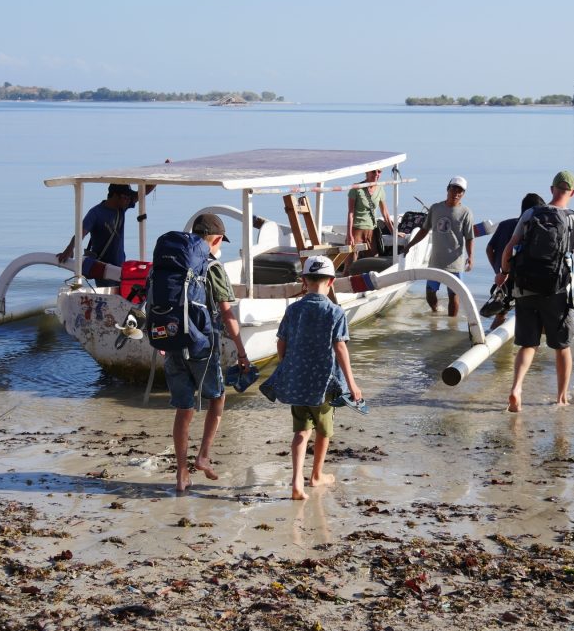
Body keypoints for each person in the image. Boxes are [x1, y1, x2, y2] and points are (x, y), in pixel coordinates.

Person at [261, 255, 362, 500]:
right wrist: (352, 384)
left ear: (304, 281)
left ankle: (296, 481)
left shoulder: (293, 309)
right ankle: (316, 475)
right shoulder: (335, 312)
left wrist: (287, 366)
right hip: (324, 384)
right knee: (324, 431)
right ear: (332, 282)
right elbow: (340, 348)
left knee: (300, 431)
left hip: (298, 381)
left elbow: (281, 343)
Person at [164, 213, 249, 492]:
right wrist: (241, 350)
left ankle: (181, 472)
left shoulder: (172, 263)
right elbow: (227, 312)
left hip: (174, 341)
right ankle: (202, 456)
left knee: (183, 408)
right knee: (217, 398)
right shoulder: (213, 267)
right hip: (203, 344)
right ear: (215, 239)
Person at [495, 171, 574, 412]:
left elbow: (509, 248)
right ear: (572, 192)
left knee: (528, 344)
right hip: (556, 291)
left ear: (551, 190)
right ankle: (561, 397)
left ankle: (516, 388)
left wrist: (503, 273)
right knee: (562, 346)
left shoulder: (530, 214)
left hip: (525, 287)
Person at [56, 182, 155, 287]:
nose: (128, 200)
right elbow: (81, 233)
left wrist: (158, 174)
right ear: (115, 196)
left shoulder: (122, 208)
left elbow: (143, 192)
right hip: (102, 269)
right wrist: (70, 248)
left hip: (120, 268)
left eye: (128, 197)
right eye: (125, 197)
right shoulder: (96, 213)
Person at [402, 176, 475, 316]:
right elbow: (424, 230)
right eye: (454, 189)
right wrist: (410, 245)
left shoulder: (466, 213)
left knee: (454, 295)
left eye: (460, 191)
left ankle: (451, 325)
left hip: (455, 262)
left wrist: (471, 257)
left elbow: (470, 237)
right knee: (430, 294)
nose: (456, 193)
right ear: (448, 189)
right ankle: (436, 312)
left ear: (463, 194)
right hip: (436, 261)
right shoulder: (435, 208)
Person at [485, 193, 546, 329]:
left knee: (500, 315)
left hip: (503, 279)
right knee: (534, 315)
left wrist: (498, 270)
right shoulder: (532, 228)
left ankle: (490, 341)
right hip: (522, 281)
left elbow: (489, 249)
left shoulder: (505, 224)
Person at [344, 169, 395, 270]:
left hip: (371, 231)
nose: (376, 174)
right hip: (356, 229)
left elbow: (385, 213)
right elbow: (351, 213)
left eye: (379, 172)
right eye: (373, 172)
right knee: (350, 264)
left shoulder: (380, 189)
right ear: (366, 172)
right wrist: (349, 234)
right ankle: (346, 283)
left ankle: (369, 284)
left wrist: (394, 232)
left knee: (372, 263)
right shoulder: (356, 188)